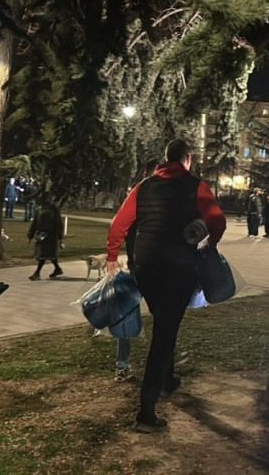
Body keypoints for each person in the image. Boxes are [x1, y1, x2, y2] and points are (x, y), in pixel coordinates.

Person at [105, 139, 225, 433]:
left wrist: (111, 256)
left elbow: (118, 224)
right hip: (179, 269)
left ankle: (168, 381)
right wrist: (209, 243)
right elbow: (217, 221)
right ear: (187, 159)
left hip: (147, 268)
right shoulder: (196, 186)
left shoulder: (143, 187)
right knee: (164, 335)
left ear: (164, 158)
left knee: (164, 323)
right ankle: (146, 412)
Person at [114, 159, 161, 383]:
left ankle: (161, 364)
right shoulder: (138, 197)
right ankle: (122, 365)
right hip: (141, 267)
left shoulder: (156, 197)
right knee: (128, 314)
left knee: (160, 316)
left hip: (153, 266)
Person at [27, 202, 64, 280]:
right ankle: (57, 268)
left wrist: (60, 237)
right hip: (40, 234)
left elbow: (58, 224)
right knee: (46, 254)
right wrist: (30, 235)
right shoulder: (39, 209)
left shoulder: (54, 210)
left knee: (43, 255)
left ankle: (37, 273)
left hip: (51, 235)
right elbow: (35, 223)